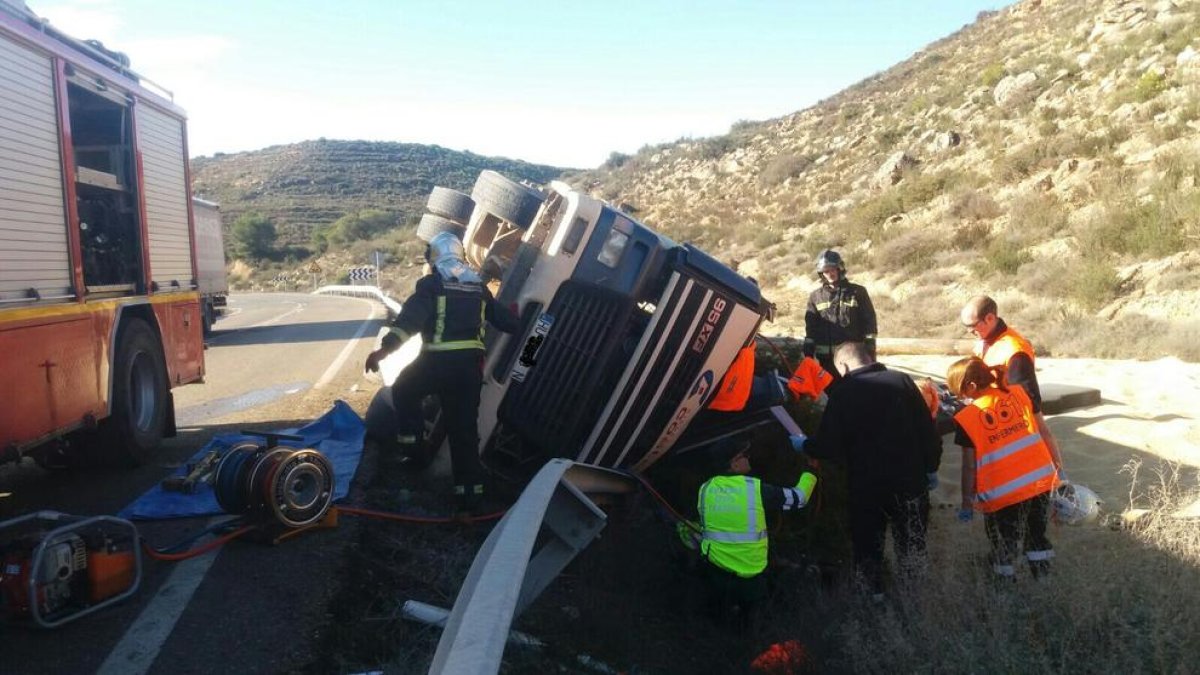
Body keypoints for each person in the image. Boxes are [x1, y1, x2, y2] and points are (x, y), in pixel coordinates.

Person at [365, 231, 519, 513]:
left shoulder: (431, 285)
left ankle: (414, 453)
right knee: (464, 432)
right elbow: (507, 322)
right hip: (468, 370)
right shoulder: (478, 287)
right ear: (460, 255)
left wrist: (382, 352)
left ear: (433, 258)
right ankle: (469, 498)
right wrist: (520, 315)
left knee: (403, 390)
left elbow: (408, 323)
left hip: (434, 363)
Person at [799, 342, 941, 596]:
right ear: (870, 357)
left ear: (842, 365)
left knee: (867, 547)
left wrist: (804, 445)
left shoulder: (843, 392)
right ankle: (915, 598)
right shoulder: (903, 381)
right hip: (910, 482)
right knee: (912, 544)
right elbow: (928, 431)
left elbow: (828, 445)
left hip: (867, 488)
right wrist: (931, 468)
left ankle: (873, 599)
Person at [679, 442, 817, 629]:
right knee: (748, 625)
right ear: (733, 464)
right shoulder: (755, 489)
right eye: (743, 455)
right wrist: (811, 470)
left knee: (717, 623)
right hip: (750, 576)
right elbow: (799, 498)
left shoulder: (706, 488)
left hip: (715, 571)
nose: (748, 458)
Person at [946, 356, 1059, 580]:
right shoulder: (1018, 394)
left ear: (971, 386)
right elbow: (1043, 431)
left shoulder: (967, 418)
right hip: (1039, 484)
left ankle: (1005, 585)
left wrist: (967, 502)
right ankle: (1043, 578)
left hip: (1001, 494)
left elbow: (969, 466)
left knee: (1003, 540)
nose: (959, 398)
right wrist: (1059, 470)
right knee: (1036, 534)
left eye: (959, 392)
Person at [959, 295, 1066, 481]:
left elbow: (1027, 397)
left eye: (972, 326)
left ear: (990, 318)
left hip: (1014, 409)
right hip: (996, 407)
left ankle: (1060, 479)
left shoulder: (1014, 349)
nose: (969, 331)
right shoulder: (985, 339)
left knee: (1040, 431)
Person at [804, 249, 877, 379]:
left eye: (832, 269)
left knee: (854, 391)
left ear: (840, 269)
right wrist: (808, 348)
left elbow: (869, 320)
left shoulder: (857, 292)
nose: (830, 274)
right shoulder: (815, 297)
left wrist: (870, 345)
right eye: (826, 271)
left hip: (853, 357)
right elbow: (811, 326)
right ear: (821, 274)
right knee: (831, 393)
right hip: (826, 359)